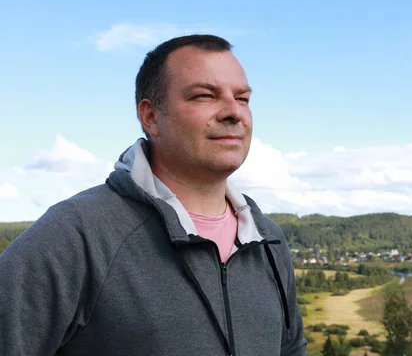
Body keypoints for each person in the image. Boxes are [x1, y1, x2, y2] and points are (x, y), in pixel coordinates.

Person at [0, 35, 307, 356]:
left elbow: (291, 348)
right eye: (205, 95)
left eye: (242, 98)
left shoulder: (268, 239)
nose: (234, 112)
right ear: (150, 117)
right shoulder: (76, 234)